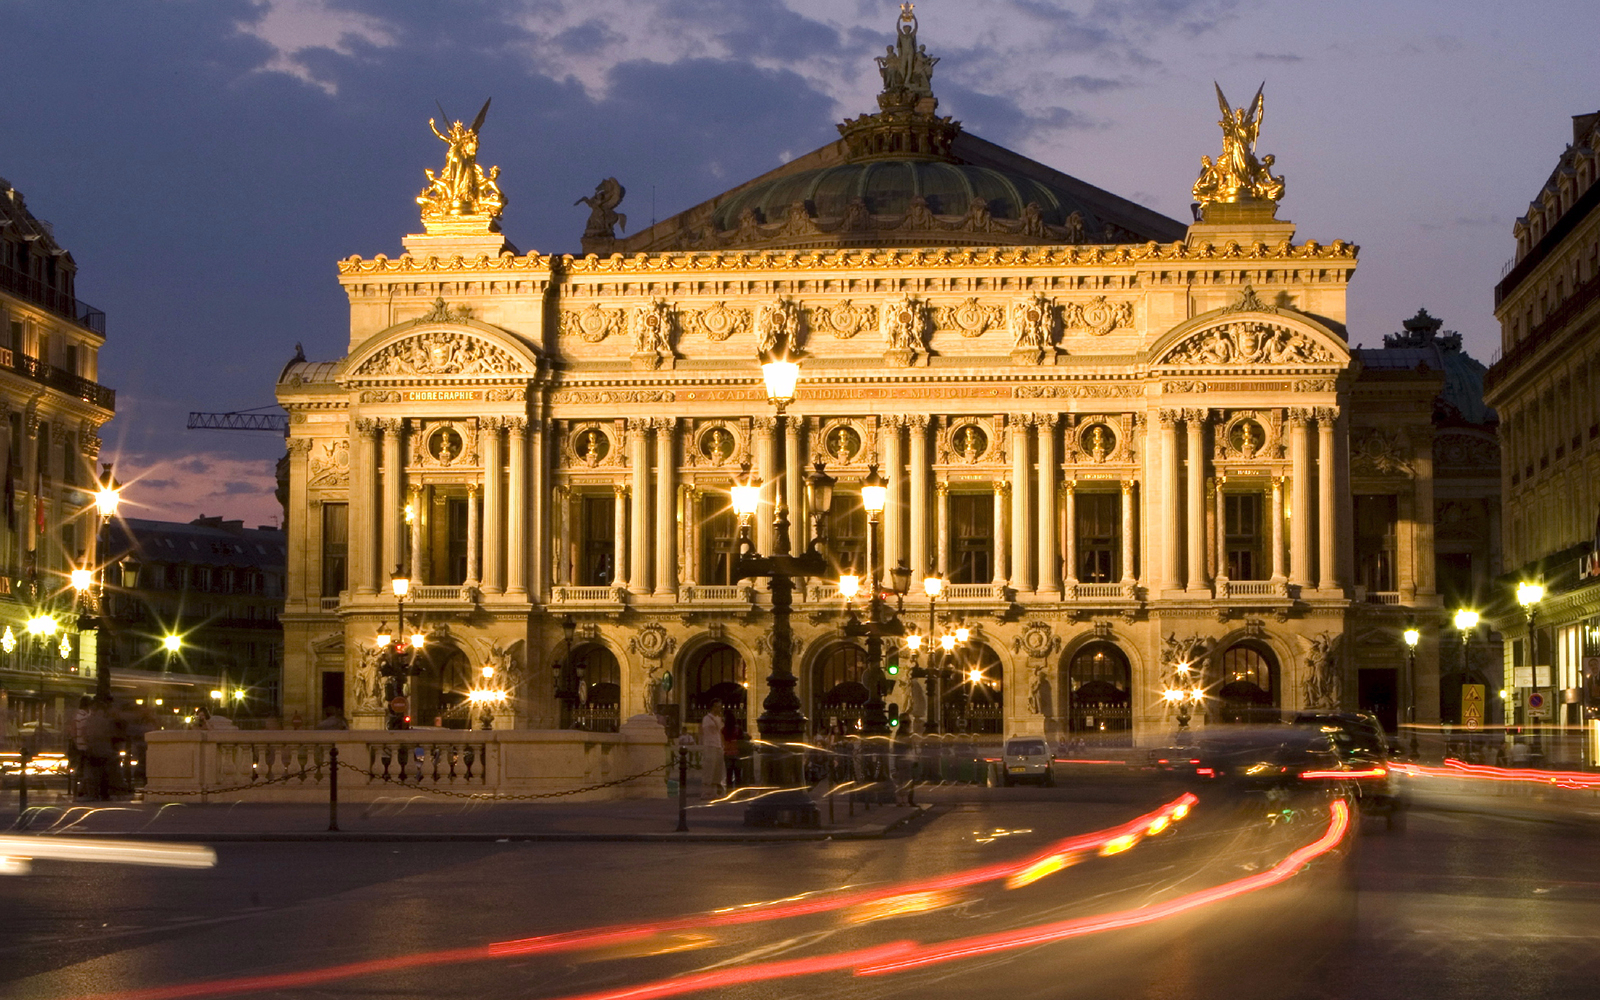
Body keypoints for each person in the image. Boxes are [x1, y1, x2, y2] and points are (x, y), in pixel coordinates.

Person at [81, 696, 116, 801]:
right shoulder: (106, 722)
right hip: (104, 749)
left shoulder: (88, 721)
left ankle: (93, 793)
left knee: (93, 773)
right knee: (104, 773)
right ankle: (104, 793)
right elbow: (110, 734)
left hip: (92, 749)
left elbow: (85, 735)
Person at [700, 700, 725, 798]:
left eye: (720, 707)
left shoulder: (719, 718)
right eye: (717, 707)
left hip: (718, 745)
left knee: (717, 770)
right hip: (710, 745)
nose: (719, 709)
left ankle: (714, 791)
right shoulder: (707, 718)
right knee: (709, 769)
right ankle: (706, 791)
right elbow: (710, 729)